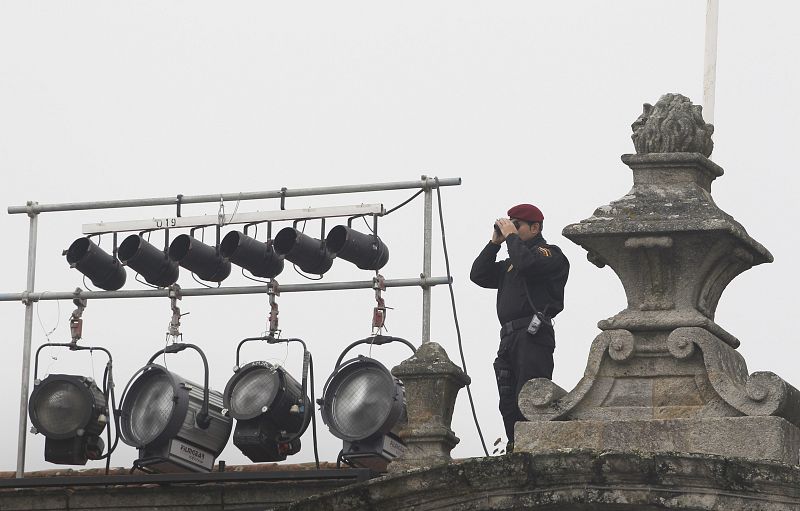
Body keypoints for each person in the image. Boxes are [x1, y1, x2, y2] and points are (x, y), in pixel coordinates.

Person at [470, 203, 569, 452]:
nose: (510, 229)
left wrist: (512, 237)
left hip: (533, 335)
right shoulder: (510, 264)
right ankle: (516, 445)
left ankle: (534, 446)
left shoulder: (550, 254)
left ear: (535, 228)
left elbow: (529, 265)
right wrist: (495, 242)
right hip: (509, 337)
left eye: (518, 225)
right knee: (508, 398)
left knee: (530, 393)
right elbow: (478, 274)